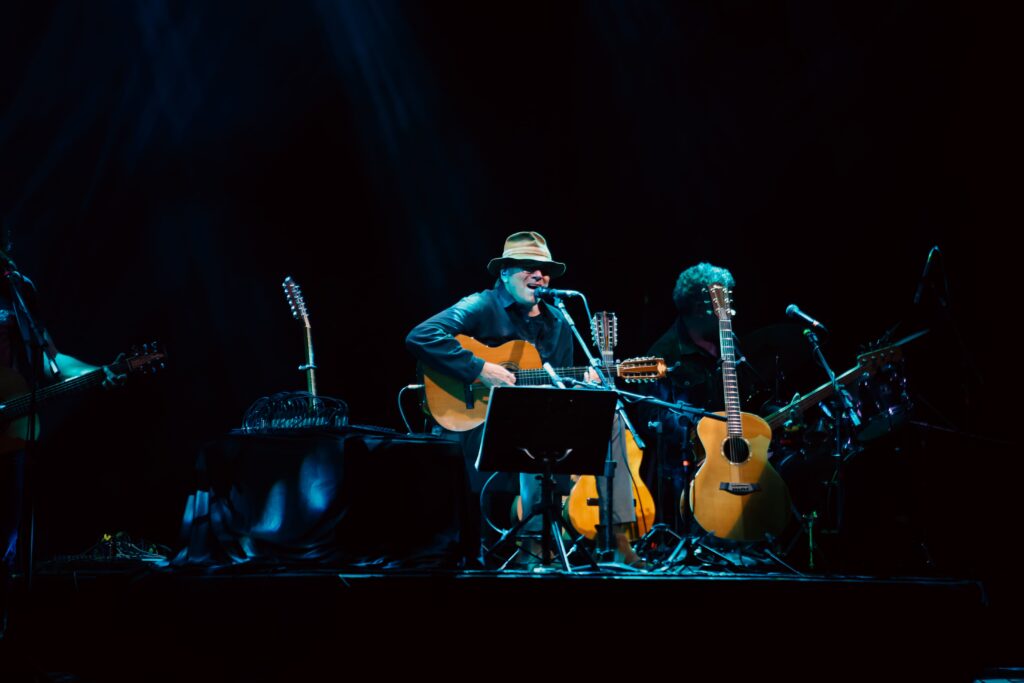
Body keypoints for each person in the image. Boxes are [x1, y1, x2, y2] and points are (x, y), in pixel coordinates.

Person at [405, 231, 643, 568]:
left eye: (544, 269)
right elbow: (421, 336)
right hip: (478, 425)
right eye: (526, 267)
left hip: (535, 423)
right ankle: (533, 543)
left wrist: (583, 386)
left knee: (610, 414)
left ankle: (617, 536)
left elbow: (561, 387)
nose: (539, 275)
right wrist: (479, 368)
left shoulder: (559, 321)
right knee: (538, 410)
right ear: (503, 272)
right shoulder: (481, 305)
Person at [1, 244, 125, 632]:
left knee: (5, 551)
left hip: (9, 445)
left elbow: (48, 362)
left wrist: (99, 370)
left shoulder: (15, 292)